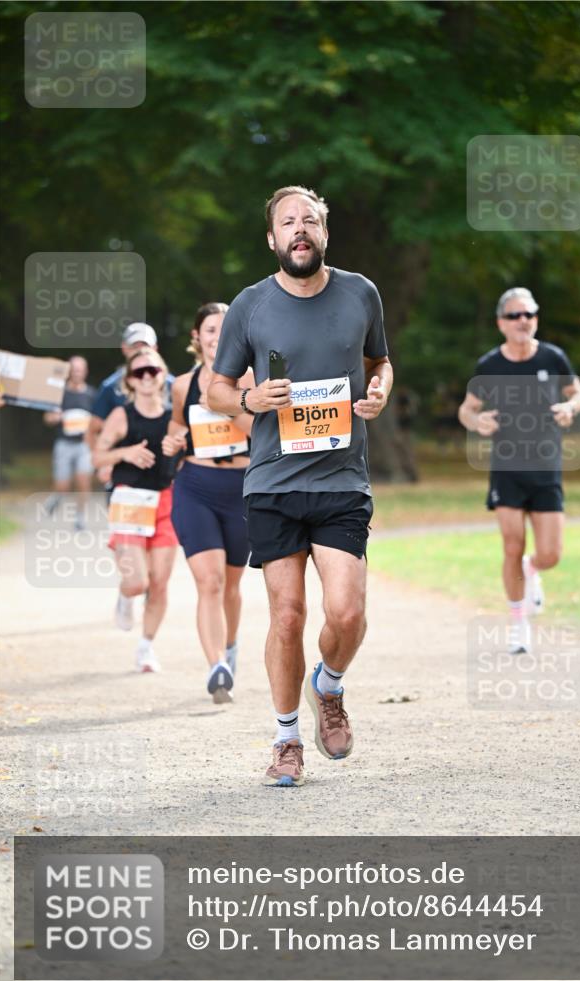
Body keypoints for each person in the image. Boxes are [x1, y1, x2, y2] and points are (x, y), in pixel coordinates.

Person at [208, 185, 392, 787]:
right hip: (273, 480)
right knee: (287, 616)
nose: (299, 230)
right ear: (272, 239)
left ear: (324, 233)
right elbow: (216, 389)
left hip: (341, 477)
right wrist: (248, 399)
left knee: (349, 611)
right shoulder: (250, 305)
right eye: (288, 222)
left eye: (309, 220)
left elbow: (378, 362)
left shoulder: (361, 292)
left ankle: (328, 685)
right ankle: (286, 739)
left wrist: (379, 390)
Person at [458, 287, 580, 654]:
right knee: (512, 544)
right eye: (515, 316)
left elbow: (579, 394)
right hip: (507, 468)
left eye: (529, 314)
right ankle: (518, 624)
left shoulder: (553, 357)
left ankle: (533, 570)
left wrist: (570, 409)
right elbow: (466, 409)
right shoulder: (489, 366)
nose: (523, 321)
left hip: (547, 467)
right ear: (501, 323)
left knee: (550, 555)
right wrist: (477, 420)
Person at [167, 303, 254, 703]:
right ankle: (216, 665)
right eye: (210, 329)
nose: (218, 335)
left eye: (225, 328)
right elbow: (176, 430)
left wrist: (224, 402)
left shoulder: (250, 378)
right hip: (195, 486)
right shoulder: (183, 385)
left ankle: (230, 646)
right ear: (196, 337)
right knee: (210, 581)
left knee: (232, 586)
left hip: (241, 485)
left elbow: (258, 429)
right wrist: (171, 443)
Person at [92, 347, 184, 673]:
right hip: (130, 499)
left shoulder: (176, 416)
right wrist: (126, 453)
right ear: (130, 381)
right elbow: (98, 457)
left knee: (159, 582)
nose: (146, 376)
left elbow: (188, 456)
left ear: (163, 375)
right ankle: (125, 595)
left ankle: (146, 647)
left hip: (166, 500)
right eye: (138, 372)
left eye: (152, 371)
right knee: (136, 582)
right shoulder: (121, 416)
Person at [86, 323, 174, 484]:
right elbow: (92, 431)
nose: (146, 376)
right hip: (126, 484)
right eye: (135, 346)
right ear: (124, 348)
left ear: (155, 348)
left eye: (145, 345)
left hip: (166, 488)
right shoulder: (111, 388)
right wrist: (107, 463)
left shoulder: (175, 386)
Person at [42, 355, 96, 530]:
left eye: (79, 369)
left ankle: (80, 517)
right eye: (73, 369)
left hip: (84, 445)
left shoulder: (92, 394)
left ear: (86, 372)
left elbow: (98, 421)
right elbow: (47, 418)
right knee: (63, 484)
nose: (76, 373)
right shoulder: (59, 393)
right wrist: (55, 417)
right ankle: (57, 496)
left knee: (83, 479)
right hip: (64, 443)